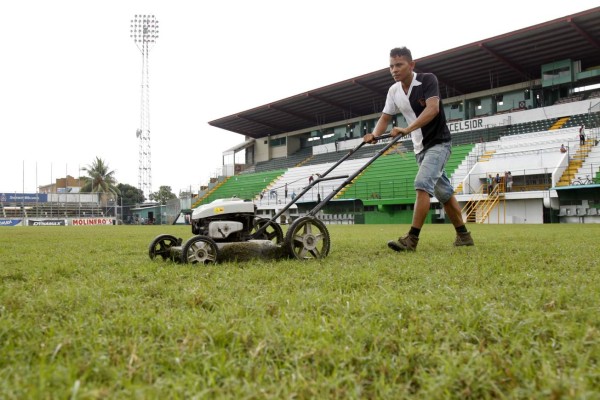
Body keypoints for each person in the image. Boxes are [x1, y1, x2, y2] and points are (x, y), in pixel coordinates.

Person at [363, 46, 474, 252]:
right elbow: (385, 118)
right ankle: (464, 236)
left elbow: (433, 109)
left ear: (411, 65)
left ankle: (411, 239)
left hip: (439, 143)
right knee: (444, 194)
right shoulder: (393, 91)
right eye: (391, 66)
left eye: (399, 65)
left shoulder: (427, 80)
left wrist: (406, 129)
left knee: (422, 184)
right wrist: (374, 135)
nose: (394, 70)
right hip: (419, 148)